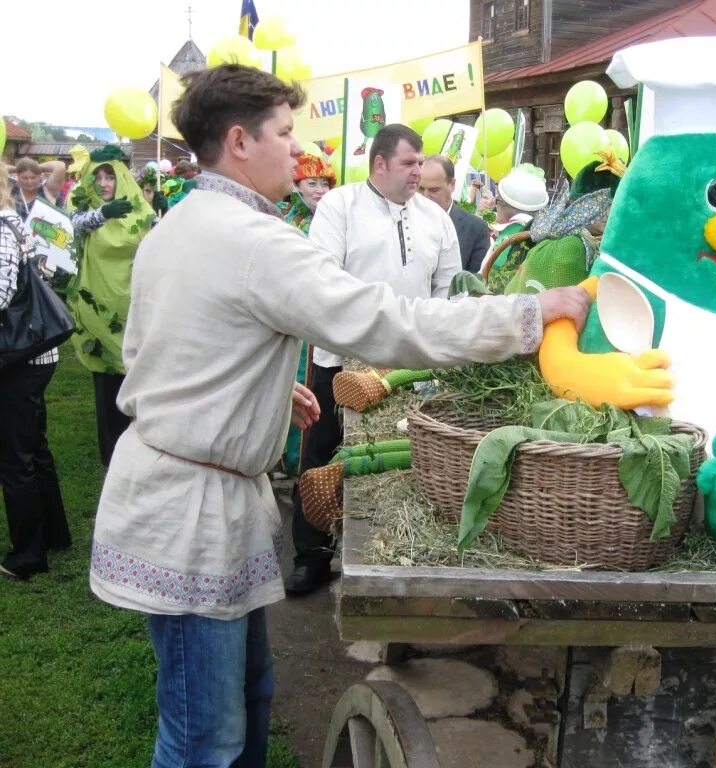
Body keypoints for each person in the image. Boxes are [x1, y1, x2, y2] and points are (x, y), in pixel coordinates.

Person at [87, 64, 588, 768]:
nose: (298, 149)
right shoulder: (254, 241)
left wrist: (254, 390)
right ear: (238, 141)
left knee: (251, 695)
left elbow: (155, 349)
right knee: (204, 737)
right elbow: (386, 323)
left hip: (183, 488)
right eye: (285, 133)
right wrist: (529, 315)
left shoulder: (182, 222)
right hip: (187, 515)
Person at [292, 124, 462, 596]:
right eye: (409, 163)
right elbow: (324, 277)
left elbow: (447, 289)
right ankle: (311, 555)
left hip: (410, 365)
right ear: (380, 163)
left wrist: (429, 349)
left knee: (393, 458)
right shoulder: (339, 206)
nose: (419, 171)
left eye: (421, 162)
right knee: (321, 450)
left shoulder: (436, 219)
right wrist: (368, 337)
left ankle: (383, 552)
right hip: (341, 355)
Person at [0, 168, 71, 580]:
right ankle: (52, 534)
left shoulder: (2, 226)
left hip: (20, 357)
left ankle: (28, 554)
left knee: (17, 456)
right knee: (32, 447)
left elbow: (3, 290)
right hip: (29, 354)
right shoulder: (11, 221)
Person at [68, 146, 154, 466]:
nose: (104, 184)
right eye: (98, 177)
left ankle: (141, 451)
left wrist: (162, 214)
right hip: (99, 313)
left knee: (138, 383)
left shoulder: (140, 212)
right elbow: (74, 224)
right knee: (107, 386)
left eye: (110, 176)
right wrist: (103, 214)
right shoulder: (87, 211)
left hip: (134, 310)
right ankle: (113, 454)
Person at [278, 152, 336, 477]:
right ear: (297, 184)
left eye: (325, 183)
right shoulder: (284, 219)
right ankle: (290, 463)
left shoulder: (333, 220)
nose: (319, 189)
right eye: (311, 182)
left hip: (323, 320)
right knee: (295, 384)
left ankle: (307, 468)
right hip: (292, 318)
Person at [419, 154, 490, 273]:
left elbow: (473, 283)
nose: (426, 196)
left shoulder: (475, 228)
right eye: (421, 189)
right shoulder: (405, 220)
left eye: (434, 190)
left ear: (452, 185)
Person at [278, 151, 335, 235]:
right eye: (312, 184)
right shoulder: (278, 212)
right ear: (296, 186)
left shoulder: (335, 217)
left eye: (325, 184)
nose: (320, 190)